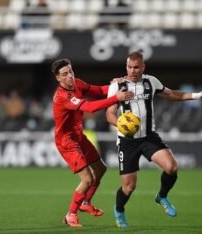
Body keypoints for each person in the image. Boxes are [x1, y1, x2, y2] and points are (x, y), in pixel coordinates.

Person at [106, 51, 202, 228]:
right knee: (129, 188)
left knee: (172, 167)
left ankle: (162, 196)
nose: (132, 71)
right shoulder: (117, 86)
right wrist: (120, 124)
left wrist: (199, 95)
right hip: (127, 141)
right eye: (129, 67)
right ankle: (119, 210)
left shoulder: (151, 81)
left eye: (136, 67)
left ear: (143, 67)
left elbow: (173, 94)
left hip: (149, 136)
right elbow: (109, 113)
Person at [51, 59, 134, 227]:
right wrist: (116, 97)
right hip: (66, 141)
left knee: (101, 169)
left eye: (71, 71)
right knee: (87, 179)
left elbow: (98, 91)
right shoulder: (62, 97)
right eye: (65, 74)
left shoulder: (78, 84)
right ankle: (70, 215)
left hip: (78, 136)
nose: (70, 76)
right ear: (58, 79)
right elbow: (89, 108)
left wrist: (113, 86)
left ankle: (85, 202)